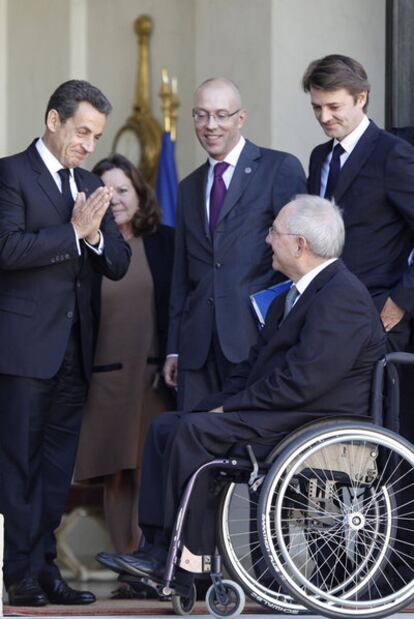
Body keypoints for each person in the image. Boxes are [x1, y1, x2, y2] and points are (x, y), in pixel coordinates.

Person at [98, 195, 386, 587]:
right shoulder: (292, 294)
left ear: (300, 244)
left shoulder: (342, 297)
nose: (267, 240)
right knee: (168, 426)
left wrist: (229, 410)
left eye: (274, 233)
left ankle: (189, 564)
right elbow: (251, 367)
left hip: (317, 422)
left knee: (195, 432)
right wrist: (213, 405)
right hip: (284, 412)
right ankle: (157, 548)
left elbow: (304, 381)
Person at [0, 80, 131, 606]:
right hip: (25, 351)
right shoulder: (10, 174)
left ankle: (47, 568)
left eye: (96, 136)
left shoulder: (90, 183)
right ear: (53, 121)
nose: (89, 145)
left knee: (57, 468)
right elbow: (6, 248)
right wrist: (73, 233)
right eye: (82, 132)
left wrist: (96, 236)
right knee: (20, 465)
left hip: (76, 353)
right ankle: (21, 573)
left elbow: (118, 263)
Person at [163, 77, 306, 410]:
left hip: (256, 341)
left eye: (221, 115)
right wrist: (174, 347)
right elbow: (181, 276)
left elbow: (302, 259)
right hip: (197, 349)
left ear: (240, 118)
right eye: (201, 115)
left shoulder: (279, 168)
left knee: (247, 446)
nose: (210, 125)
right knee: (194, 441)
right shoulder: (188, 187)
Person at [74, 154, 175, 560]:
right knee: (115, 475)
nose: (114, 198)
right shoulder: (82, 247)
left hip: (154, 378)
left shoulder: (165, 242)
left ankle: (152, 563)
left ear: (139, 194)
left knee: (150, 472)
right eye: (105, 190)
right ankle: (125, 565)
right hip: (103, 380)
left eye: (122, 189)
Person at [303, 54, 414, 353]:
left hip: (378, 316)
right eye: (317, 107)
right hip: (325, 314)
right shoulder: (319, 157)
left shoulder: (393, 155)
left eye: (333, 107)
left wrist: (401, 302)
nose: (324, 117)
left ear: (361, 98)